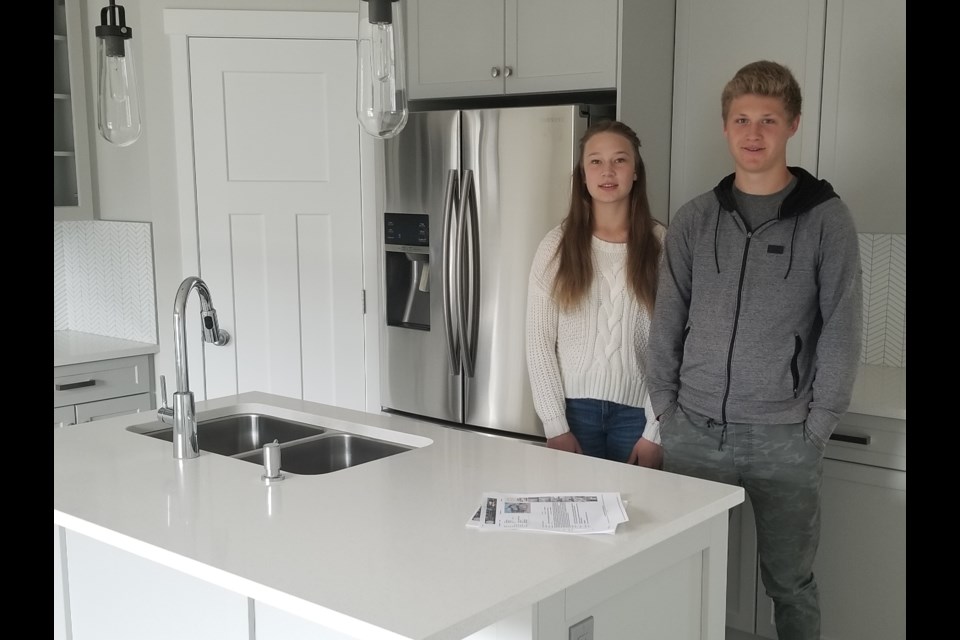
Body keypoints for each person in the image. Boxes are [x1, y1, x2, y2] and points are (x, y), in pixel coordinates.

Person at [647, 60, 862, 640]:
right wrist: (666, 409)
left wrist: (818, 426)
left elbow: (842, 326)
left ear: (793, 124)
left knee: (790, 583)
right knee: (687, 571)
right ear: (725, 127)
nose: (753, 132)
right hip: (693, 429)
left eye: (768, 119)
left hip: (784, 437)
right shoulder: (695, 219)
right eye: (742, 118)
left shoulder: (826, 220)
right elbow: (668, 318)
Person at [526, 120, 665, 468]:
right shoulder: (555, 246)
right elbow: (539, 341)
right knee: (574, 517)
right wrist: (555, 424)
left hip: (639, 418)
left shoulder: (664, 245)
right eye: (595, 161)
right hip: (573, 415)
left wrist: (655, 432)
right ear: (582, 175)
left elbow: (677, 343)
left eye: (619, 160)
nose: (608, 171)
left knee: (640, 517)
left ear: (636, 172)